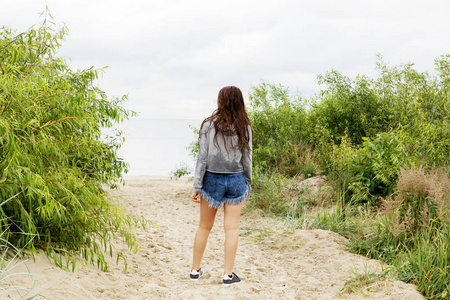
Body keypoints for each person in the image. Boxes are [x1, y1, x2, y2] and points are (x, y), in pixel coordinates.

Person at [190, 86, 253, 286]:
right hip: (236, 179)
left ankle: (195, 270)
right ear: (240, 102)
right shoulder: (245, 126)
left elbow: (202, 158)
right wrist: (248, 183)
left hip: (211, 179)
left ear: (220, 101)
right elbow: (247, 159)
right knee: (231, 229)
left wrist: (197, 187)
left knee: (204, 227)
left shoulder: (208, 125)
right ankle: (227, 276)